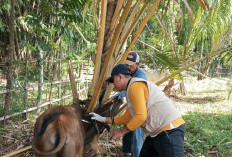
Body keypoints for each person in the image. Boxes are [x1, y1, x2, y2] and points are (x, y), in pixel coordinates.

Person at [90, 64, 185, 157]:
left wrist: (122, 132)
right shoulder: (131, 90)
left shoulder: (135, 86)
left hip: (169, 130)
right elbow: (127, 118)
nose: (113, 84)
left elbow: (141, 116)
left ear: (120, 76)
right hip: (157, 133)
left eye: (113, 80)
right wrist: (102, 119)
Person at [103, 52, 147, 157]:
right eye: (127, 65)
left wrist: (116, 96)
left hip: (141, 110)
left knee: (136, 134)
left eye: (131, 65)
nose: (129, 67)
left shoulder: (140, 77)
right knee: (128, 128)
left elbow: (130, 90)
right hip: (133, 107)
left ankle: (136, 154)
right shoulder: (128, 73)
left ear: (138, 64)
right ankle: (126, 152)